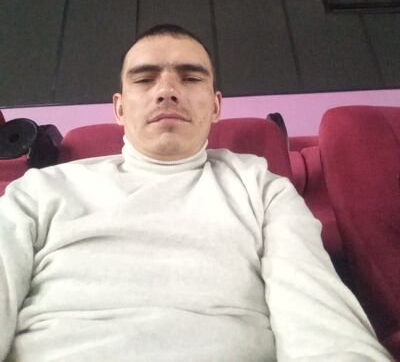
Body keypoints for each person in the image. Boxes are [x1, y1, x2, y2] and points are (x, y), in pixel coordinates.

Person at [0, 24, 391, 362]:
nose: (166, 91)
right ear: (119, 109)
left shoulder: (262, 187)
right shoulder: (40, 190)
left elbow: (319, 317)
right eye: (144, 79)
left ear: (216, 106)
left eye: (190, 78)